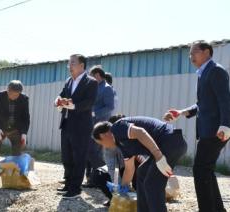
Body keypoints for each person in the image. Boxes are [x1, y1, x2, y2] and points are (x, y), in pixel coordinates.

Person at [163, 41, 230, 212]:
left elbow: (225, 100)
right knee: (205, 170)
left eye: (194, 53)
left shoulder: (216, 71)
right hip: (209, 129)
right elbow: (203, 104)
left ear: (206, 52)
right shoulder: (203, 72)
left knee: (200, 170)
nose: (190, 57)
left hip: (216, 130)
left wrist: (226, 126)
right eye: (189, 54)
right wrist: (182, 112)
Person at [93, 116, 187, 212]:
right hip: (168, 145)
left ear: (104, 135)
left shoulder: (117, 128)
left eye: (101, 143)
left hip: (171, 140)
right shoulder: (122, 145)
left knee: (151, 183)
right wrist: (122, 188)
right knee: (142, 172)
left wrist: (158, 156)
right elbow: (129, 169)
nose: (103, 146)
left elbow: (140, 132)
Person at [54, 54, 98, 199]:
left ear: (81, 66)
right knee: (67, 157)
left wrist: (74, 106)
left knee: (79, 157)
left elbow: (89, 102)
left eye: (72, 63)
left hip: (81, 126)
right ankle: (68, 184)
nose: (69, 66)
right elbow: (62, 95)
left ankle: (75, 189)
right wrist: (58, 100)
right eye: (69, 63)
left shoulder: (90, 82)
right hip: (66, 124)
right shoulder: (68, 81)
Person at [0, 80, 30, 181]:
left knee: (20, 149)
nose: (14, 96)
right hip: (1, 128)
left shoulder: (24, 99)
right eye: (12, 94)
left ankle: (18, 173)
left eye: (17, 94)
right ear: (7, 90)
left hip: (16, 129)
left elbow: (25, 118)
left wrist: (24, 133)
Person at [84, 65, 114, 186]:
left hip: (99, 126)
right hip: (91, 124)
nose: (90, 78)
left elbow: (109, 107)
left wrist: (94, 113)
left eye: (91, 76)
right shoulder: (95, 87)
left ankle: (104, 177)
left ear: (97, 75)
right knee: (90, 151)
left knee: (92, 151)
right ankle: (93, 179)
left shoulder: (106, 88)